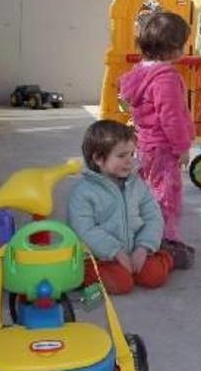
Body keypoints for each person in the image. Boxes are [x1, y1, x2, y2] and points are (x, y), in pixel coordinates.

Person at [119, 11, 195, 268]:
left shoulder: (141, 72)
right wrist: (182, 147)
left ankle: (143, 236)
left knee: (147, 192)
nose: (184, 48)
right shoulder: (165, 78)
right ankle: (163, 242)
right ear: (171, 47)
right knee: (167, 195)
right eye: (182, 43)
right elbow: (171, 117)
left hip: (145, 146)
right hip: (163, 148)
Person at [67, 120, 173, 295]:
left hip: (135, 249)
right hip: (101, 256)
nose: (129, 161)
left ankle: (166, 255)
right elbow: (84, 230)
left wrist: (143, 248)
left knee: (155, 276)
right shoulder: (83, 193)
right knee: (121, 283)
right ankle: (85, 274)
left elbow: (153, 216)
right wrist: (115, 252)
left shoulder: (136, 184)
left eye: (132, 154)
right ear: (98, 158)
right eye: (122, 156)